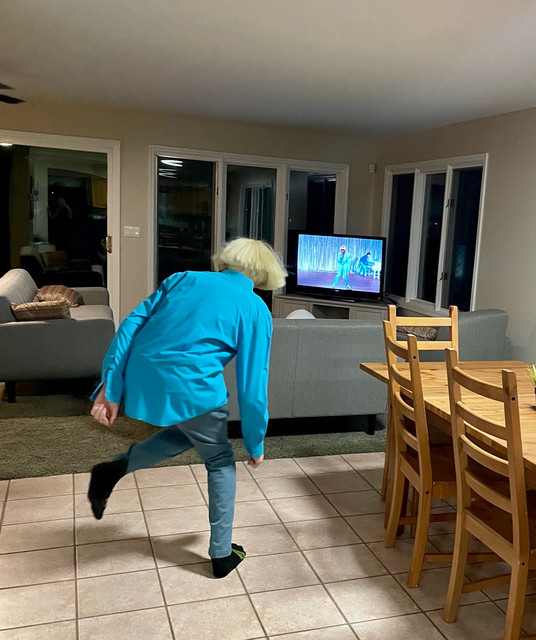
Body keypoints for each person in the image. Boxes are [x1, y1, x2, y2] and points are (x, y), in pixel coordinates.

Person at [87, 237, 287, 578]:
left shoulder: (183, 278)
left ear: (227, 260)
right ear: (264, 273)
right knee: (220, 461)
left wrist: (112, 383)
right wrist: (255, 443)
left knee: (187, 432)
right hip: (192, 387)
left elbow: (131, 326)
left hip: (143, 376)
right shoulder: (255, 308)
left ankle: (113, 469)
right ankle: (222, 554)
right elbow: (253, 386)